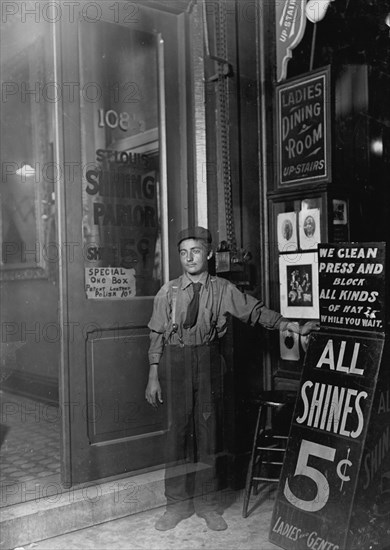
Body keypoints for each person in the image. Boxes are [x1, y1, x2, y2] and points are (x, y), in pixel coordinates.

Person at [145, 226, 319, 532]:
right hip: (177, 364)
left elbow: (256, 313)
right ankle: (175, 505)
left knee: (209, 435)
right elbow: (157, 334)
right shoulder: (167, 291)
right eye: (183, 253)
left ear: (209, 254)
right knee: (177, 436)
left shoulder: (223, 289)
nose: (189, 258)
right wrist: (153, 375)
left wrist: (290, 325)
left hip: (209, 362)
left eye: (195, 251)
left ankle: (208, 506)